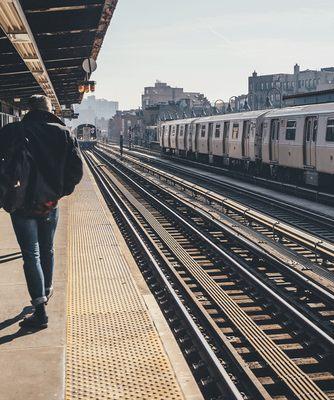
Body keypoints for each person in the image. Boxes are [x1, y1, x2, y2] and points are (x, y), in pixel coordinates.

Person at [0, 95, 83, 329]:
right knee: (47, 249)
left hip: (21, 203)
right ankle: (46, 291)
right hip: (49, 203)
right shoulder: (63, 132)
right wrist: (59, 192)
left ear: (29, 109)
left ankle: (40, 310)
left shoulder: (13, 130)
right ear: (49, 110)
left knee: (31, 255)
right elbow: (76, 171)